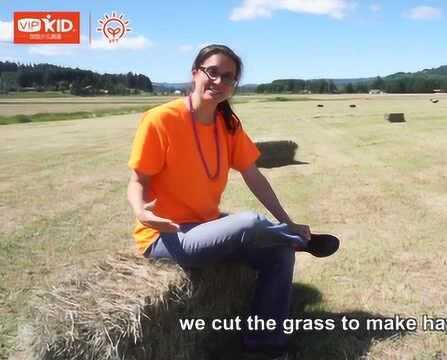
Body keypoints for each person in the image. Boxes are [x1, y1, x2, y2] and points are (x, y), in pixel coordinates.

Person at [126, 44, 338, 358]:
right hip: (166, 236)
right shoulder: (161, 119)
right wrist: (142, 211)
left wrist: (288, 217)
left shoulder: (229, 125)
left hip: (205, 226)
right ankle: (292, 237)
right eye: (213, 72)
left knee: (278, 255)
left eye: (228, 77)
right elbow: (137, 181)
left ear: (234, 85)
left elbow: (255, 178)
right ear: (195, 72)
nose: (219, 82)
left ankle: (265, 345)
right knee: (249, 222)